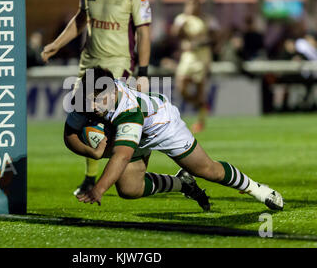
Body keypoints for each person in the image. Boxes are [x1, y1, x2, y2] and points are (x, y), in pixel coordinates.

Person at [65, 67, 284, 211]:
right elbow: (69, 135)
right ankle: (183, 184)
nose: (92, 107)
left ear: (112, 93)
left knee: (208, 170)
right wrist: (91, 152)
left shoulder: (128, 110)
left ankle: (258, 189)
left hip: (163, 126)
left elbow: (122, 156)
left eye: (97, 100)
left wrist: (99, 189)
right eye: (89, 100)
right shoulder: (86, 99)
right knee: (129, 190)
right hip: (132, 135)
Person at [41, 0, 152, 196]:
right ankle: (96, 175)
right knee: (85, 119)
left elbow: (144, 32)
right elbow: (81, 19)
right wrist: (56, 45)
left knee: (106, 121)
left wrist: (143, 71)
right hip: (89, 64)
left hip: (118, 66)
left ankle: (103, 177)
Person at [171, 0, 211, 134]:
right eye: (190, 3)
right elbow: (174, 34)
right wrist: (181, 27)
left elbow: (215, 38)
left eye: (195, 3)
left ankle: (200, 121)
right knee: (181, 85)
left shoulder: (206, 19)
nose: (193, 6)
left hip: (202, 57)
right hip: (188, 57)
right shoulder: (182, 19)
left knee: (200, 88)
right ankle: (195, 103)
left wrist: (198, 43)